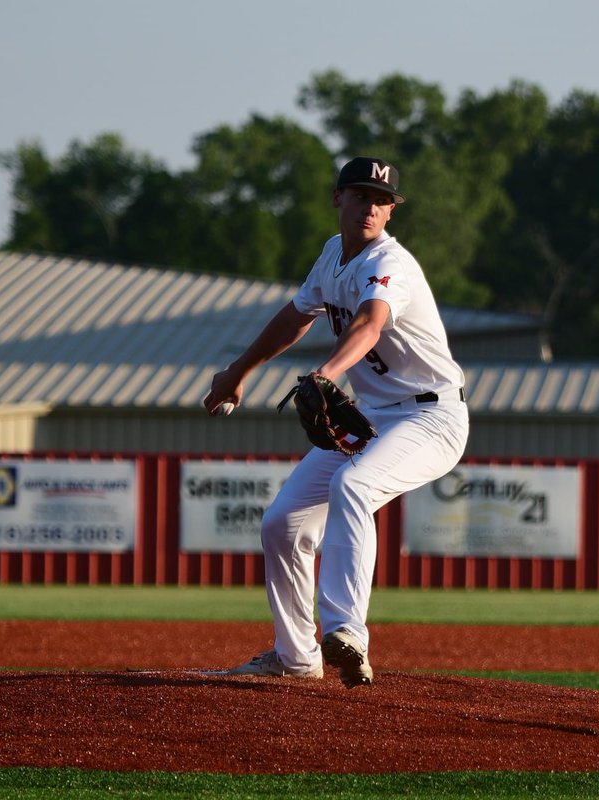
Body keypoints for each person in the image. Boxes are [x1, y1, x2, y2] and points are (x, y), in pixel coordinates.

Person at [202, 156, 469, 688]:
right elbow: (296, 315)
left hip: (432, 416)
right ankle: (298, 656)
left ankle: (348, 633)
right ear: (338, 198)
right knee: (284, 524)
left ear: (391, 211)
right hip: (374, 415)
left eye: (383, 200)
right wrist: (238, 371)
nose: (372, 206)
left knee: (354, 484)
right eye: (362, 194)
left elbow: (371, 324)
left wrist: (325, 375)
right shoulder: (332, 255)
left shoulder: (388, 262)